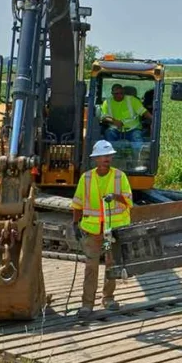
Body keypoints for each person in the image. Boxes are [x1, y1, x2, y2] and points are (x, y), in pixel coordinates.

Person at [71, 140, 132, 318]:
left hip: (111, 231)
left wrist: (116, 196)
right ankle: (87, 304)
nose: (107, 158)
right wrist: (75, 223)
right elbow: (78, 203)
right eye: (104, 156)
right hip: (92, 230)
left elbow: (129, 200)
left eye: (109, 156)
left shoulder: (120, 176)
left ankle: (108, 298)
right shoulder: (87, 178)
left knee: (111, 264)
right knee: (91, 267)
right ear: (96, 159)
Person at [100, 83, 151, 155]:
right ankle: (110, 156)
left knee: (136, 137)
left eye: (121, 93)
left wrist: (153, 120)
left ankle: (140, 158)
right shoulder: (107, 102)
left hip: (133, 129)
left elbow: (144, 112)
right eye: (116, 93)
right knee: (108, 133)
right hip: (115, 130)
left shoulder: (132, 100)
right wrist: (114, 121)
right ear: (112, 93)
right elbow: (103, 117)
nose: (119, 95)